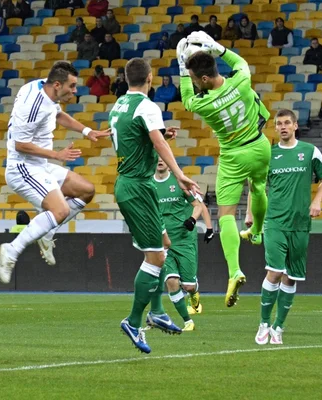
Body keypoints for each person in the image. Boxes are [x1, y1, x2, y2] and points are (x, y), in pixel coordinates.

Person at [108, 58, 199, 353]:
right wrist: (180, 174)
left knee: (164, 243)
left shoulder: (120, 105)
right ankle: (134, 321)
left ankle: (157, 311)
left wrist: (159, 134)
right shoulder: (147, 106)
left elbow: (139, 137)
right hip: (138, 185)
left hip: (128, 182)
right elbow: (157, 143)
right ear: (150, 78)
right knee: (156, 258)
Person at [177, 31, 271, 307]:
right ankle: (257, 231)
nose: (195, 83)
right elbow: (241, 62)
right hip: (260, 145)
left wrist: (182, 66)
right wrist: (217, 47)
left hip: (233, 156)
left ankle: (235, 270)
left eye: (196, 79)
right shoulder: (242, 82)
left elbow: (186, 99)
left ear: (203, 79)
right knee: (259, 187)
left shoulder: (203, 102)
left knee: (226, 215)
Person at [0, 62, 111, 283]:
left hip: (40, 165)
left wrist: (87, 131)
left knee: (86, 191)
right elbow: (20, 144)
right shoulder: (33, 104)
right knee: (60, 209)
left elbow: (58, 115)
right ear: (57, 84)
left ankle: (47, 232)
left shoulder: (44, 90)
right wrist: (57, 155)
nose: (75, 91)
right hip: (23, 168)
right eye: (72, 86)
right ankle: (11, 250)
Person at [249, 109, 322, 346]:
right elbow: (257, 187)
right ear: (275, 128)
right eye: (279, 124)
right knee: (274, 271)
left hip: (300, 224)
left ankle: (278, 327)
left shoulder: (309, 151)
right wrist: (253, 215)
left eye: (287, 123)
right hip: (274, 221)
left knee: (291, 278)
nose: (283, 127)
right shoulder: (269, 155)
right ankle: (263, 323)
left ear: (295, 126)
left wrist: (317, 200)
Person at [154, 158, 213, 331]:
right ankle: (188, 322)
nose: (159, 161)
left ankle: (194, 294)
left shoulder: (180, 181)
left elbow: (198, 205)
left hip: (184, 239)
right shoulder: (149, 184)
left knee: (188, 285)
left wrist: (192, 219)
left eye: (162, 158)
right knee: (171, 281)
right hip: (164, 242)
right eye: (156, 158)